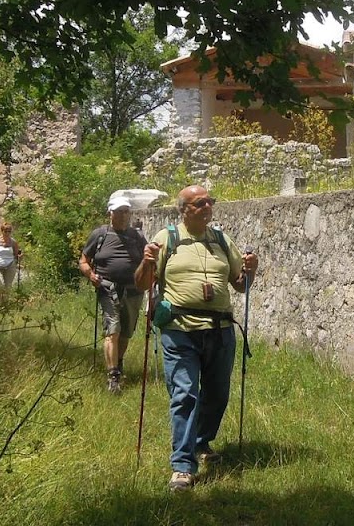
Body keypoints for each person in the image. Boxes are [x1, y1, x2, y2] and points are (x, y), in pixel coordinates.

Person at [134, 184, 258, 492]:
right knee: (185, 395)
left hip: (221, 331)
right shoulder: (167, 239)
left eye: (209, 202)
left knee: (217, 394)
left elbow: (240, 285)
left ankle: (201, 441)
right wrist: (147, 262)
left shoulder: (221, 240)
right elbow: (143, 284)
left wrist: (251, 271)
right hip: (180, 332)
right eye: (199, 203)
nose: (207, 207)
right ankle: (182, 466)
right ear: (184, 210)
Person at [80, 196, 148, 394]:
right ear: (110, 213)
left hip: (134, 291)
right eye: (119, 211)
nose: (123, 215)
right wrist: (90, 274)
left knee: (126, 332)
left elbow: (148, 258)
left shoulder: (136, 236)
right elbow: (84, 259)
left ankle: (117, 362)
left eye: (126, 211)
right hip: (108, 290)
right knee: (113, 330)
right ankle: (113, 377)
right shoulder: (100, 234)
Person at [0, 222, 23, 295]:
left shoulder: (13, 242)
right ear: (2, 231)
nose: (7, 233)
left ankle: (5, 304)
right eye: (5, 231)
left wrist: (20, 257)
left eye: (9, 231)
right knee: (0, 285)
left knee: (8, 287)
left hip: (10, 266)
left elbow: (17, 255)